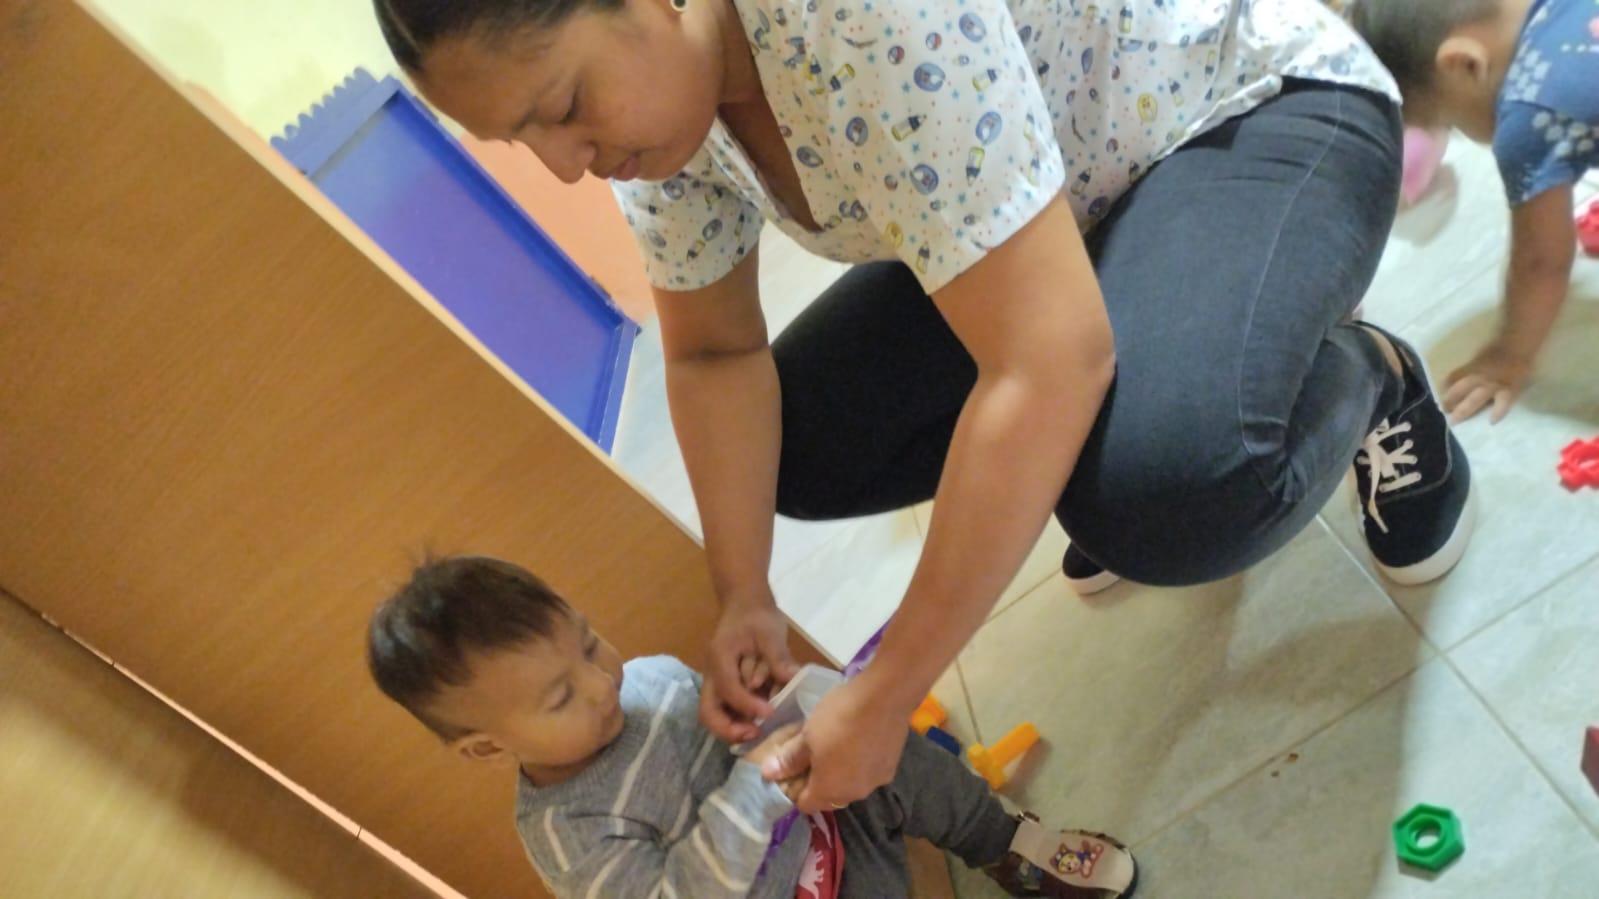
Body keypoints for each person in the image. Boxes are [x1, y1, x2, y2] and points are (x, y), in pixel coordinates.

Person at [371, 0, 1477, 812]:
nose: (567, 167)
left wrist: (889, 689)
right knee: (797, 446)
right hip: (1067, 207)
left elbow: (1047, 361)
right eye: (524, 141)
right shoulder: (665, 141)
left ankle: (1373, 378)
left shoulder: (855, 19)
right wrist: (742, 588)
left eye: (564, 108)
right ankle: (1147, 373)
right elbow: (714, 354)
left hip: (1243, 116)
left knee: (1167, 494)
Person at [365, 556, 1139, 898]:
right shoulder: (567, 833)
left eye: (591, 642)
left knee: (888, 746)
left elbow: (735, 736)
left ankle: (1003, 845)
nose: (605, 682)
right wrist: (754, 784)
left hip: (832, 826)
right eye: (561, 695)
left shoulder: (648, 679)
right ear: (488, 745)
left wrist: (764, 706)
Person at [1353, 0, 1598, 424]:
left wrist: (1508, 355)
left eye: (1448, 121)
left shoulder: (1529, 113)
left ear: (1465, 64)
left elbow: (1540, 263)